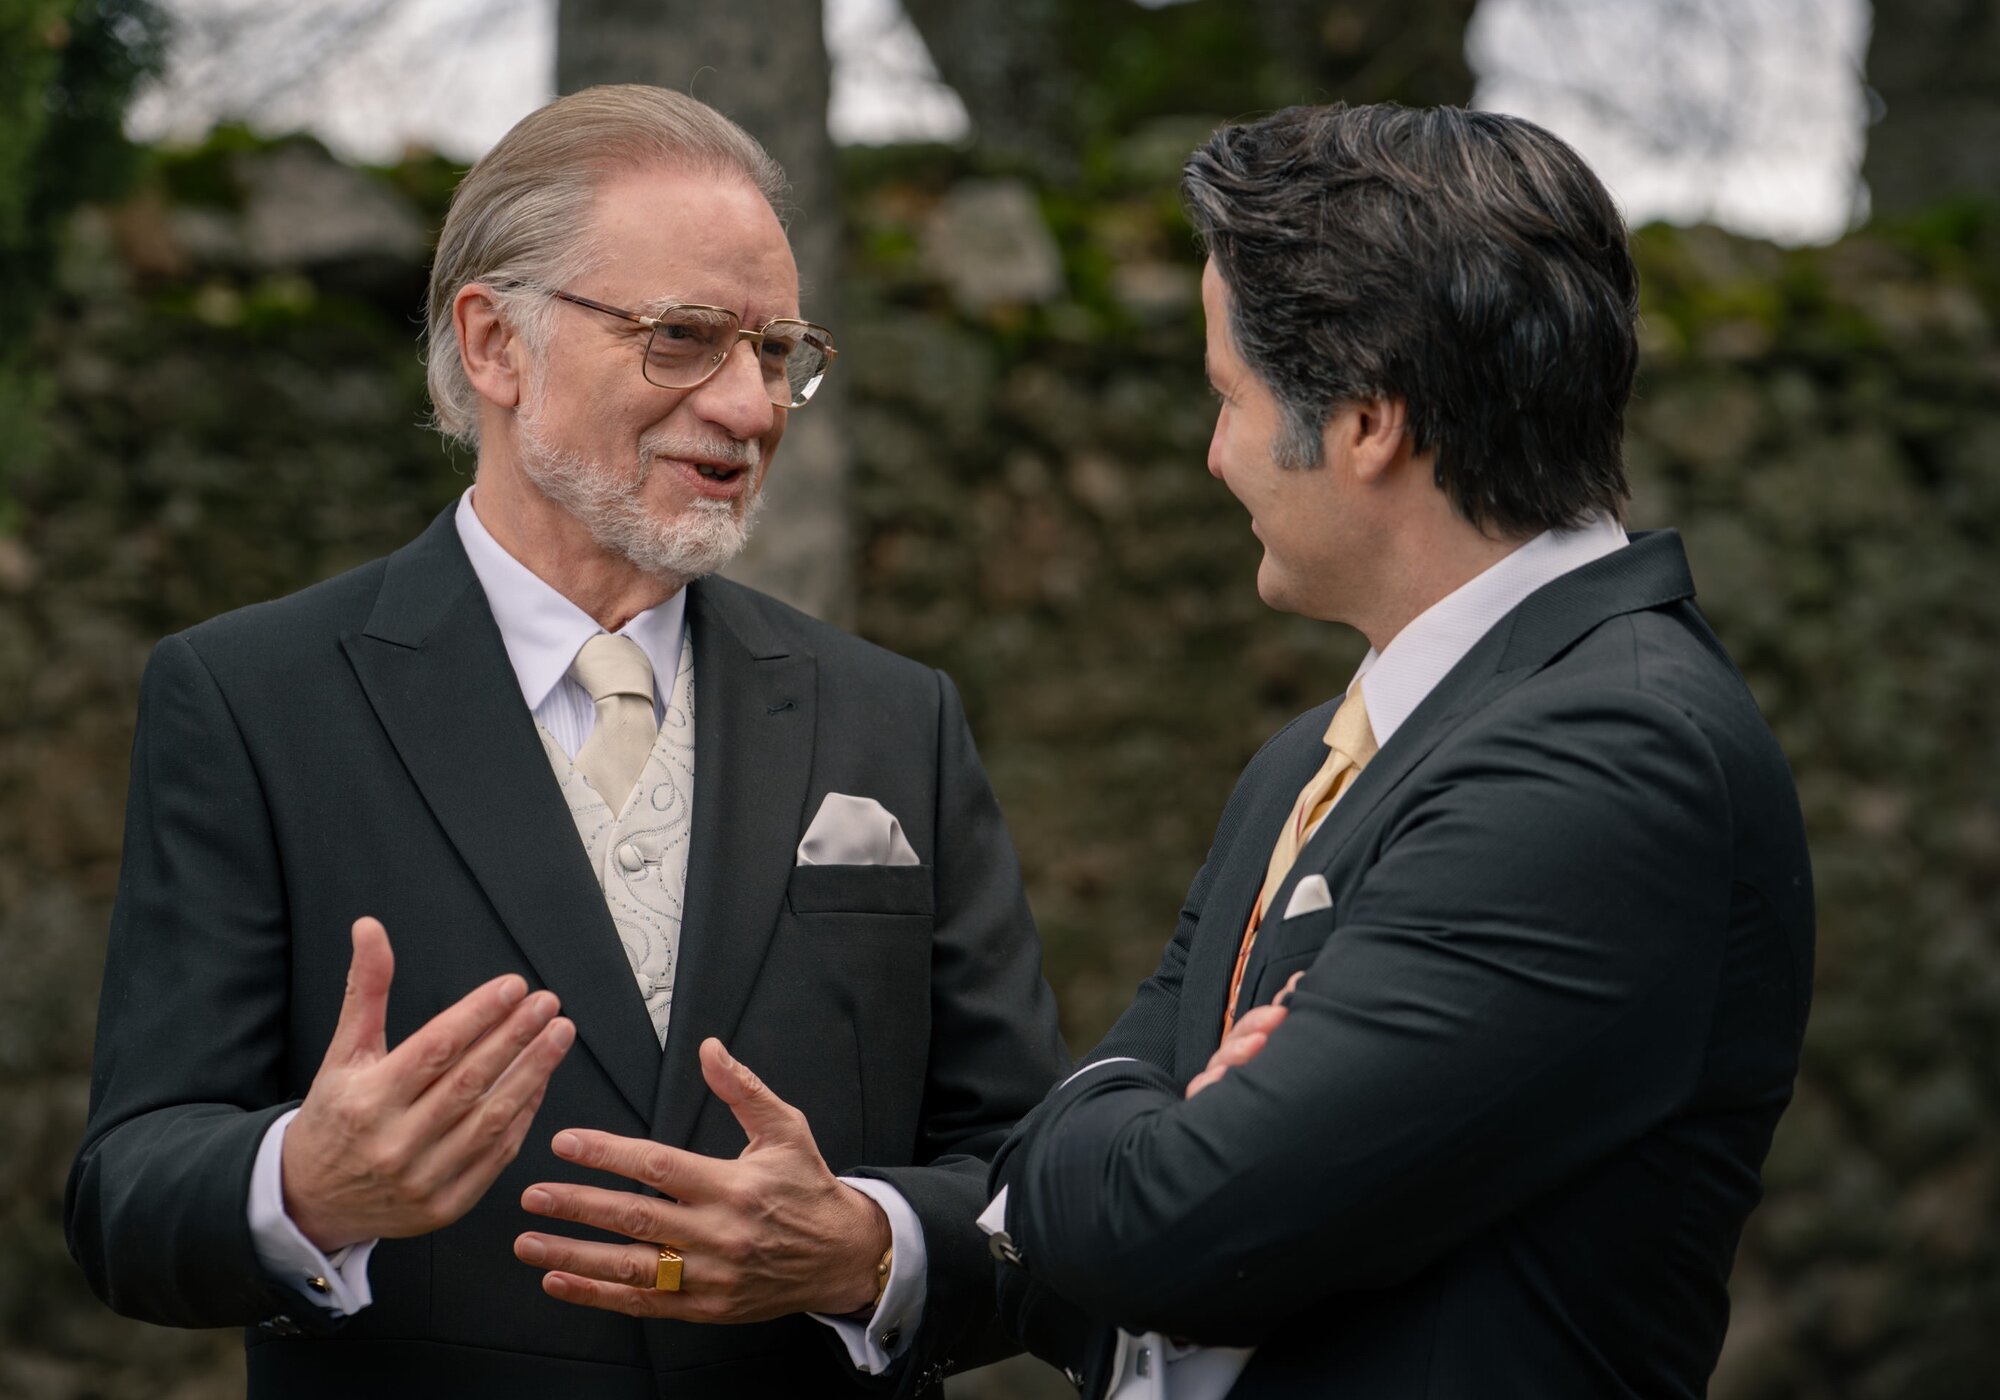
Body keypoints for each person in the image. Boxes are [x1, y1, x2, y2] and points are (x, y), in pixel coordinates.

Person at [66, 85, 1067, 1399]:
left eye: (776, 351)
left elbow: (1039, 1187)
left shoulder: (895, 718)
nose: (753, 406)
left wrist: (865, 1253)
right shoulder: (252, 699)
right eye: (686, 339)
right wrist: (300, 1184)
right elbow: (129, 1195)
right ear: (494, 343)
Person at [983, 103, 1814, 1399]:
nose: (1214, 457)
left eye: (1231, 398)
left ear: (1368, 420)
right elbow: (1126, 1206)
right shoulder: (1315, 757)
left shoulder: (1612, 761)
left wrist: (1077, 1139)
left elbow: (1168, 1230)